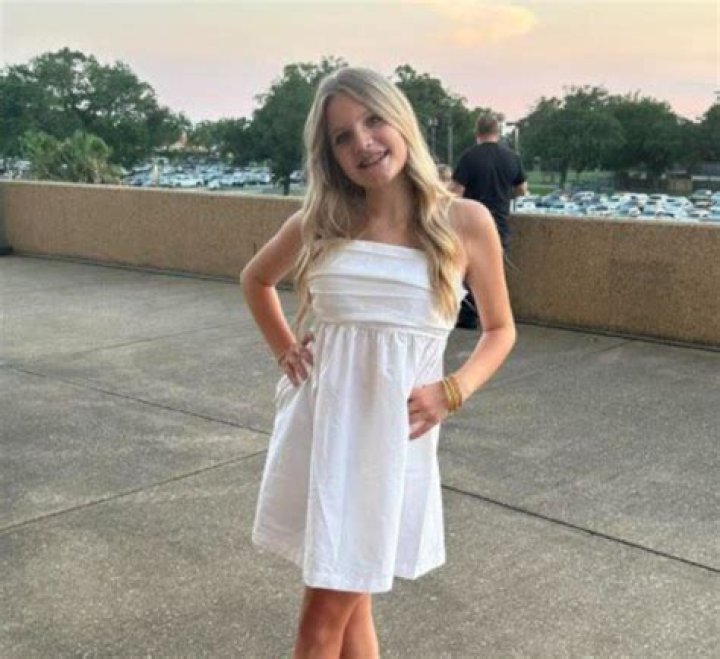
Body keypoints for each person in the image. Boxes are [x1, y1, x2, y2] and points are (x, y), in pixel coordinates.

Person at [241, 67, 516, 659]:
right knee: (348, 602)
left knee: (324, 619)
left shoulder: (464, 222)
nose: (362, 143)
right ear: (331, 154)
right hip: (322, 429)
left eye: (372, 120)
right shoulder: (323, 220)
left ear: (401, 121)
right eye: (342, 137)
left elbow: (501, 329)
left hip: (391, 439)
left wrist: (453, 390)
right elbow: (255, 280)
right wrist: (285, 348)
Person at [451, 112, 528, 329]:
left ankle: (467, 316)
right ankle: (494, 318)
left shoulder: (469, 157)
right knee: (494, 270)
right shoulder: (512, 157)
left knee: (466, 270)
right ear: (498, 132)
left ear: (477, 132)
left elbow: (456, 192)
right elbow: (522, 190)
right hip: (499, 221)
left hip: (470, 223)